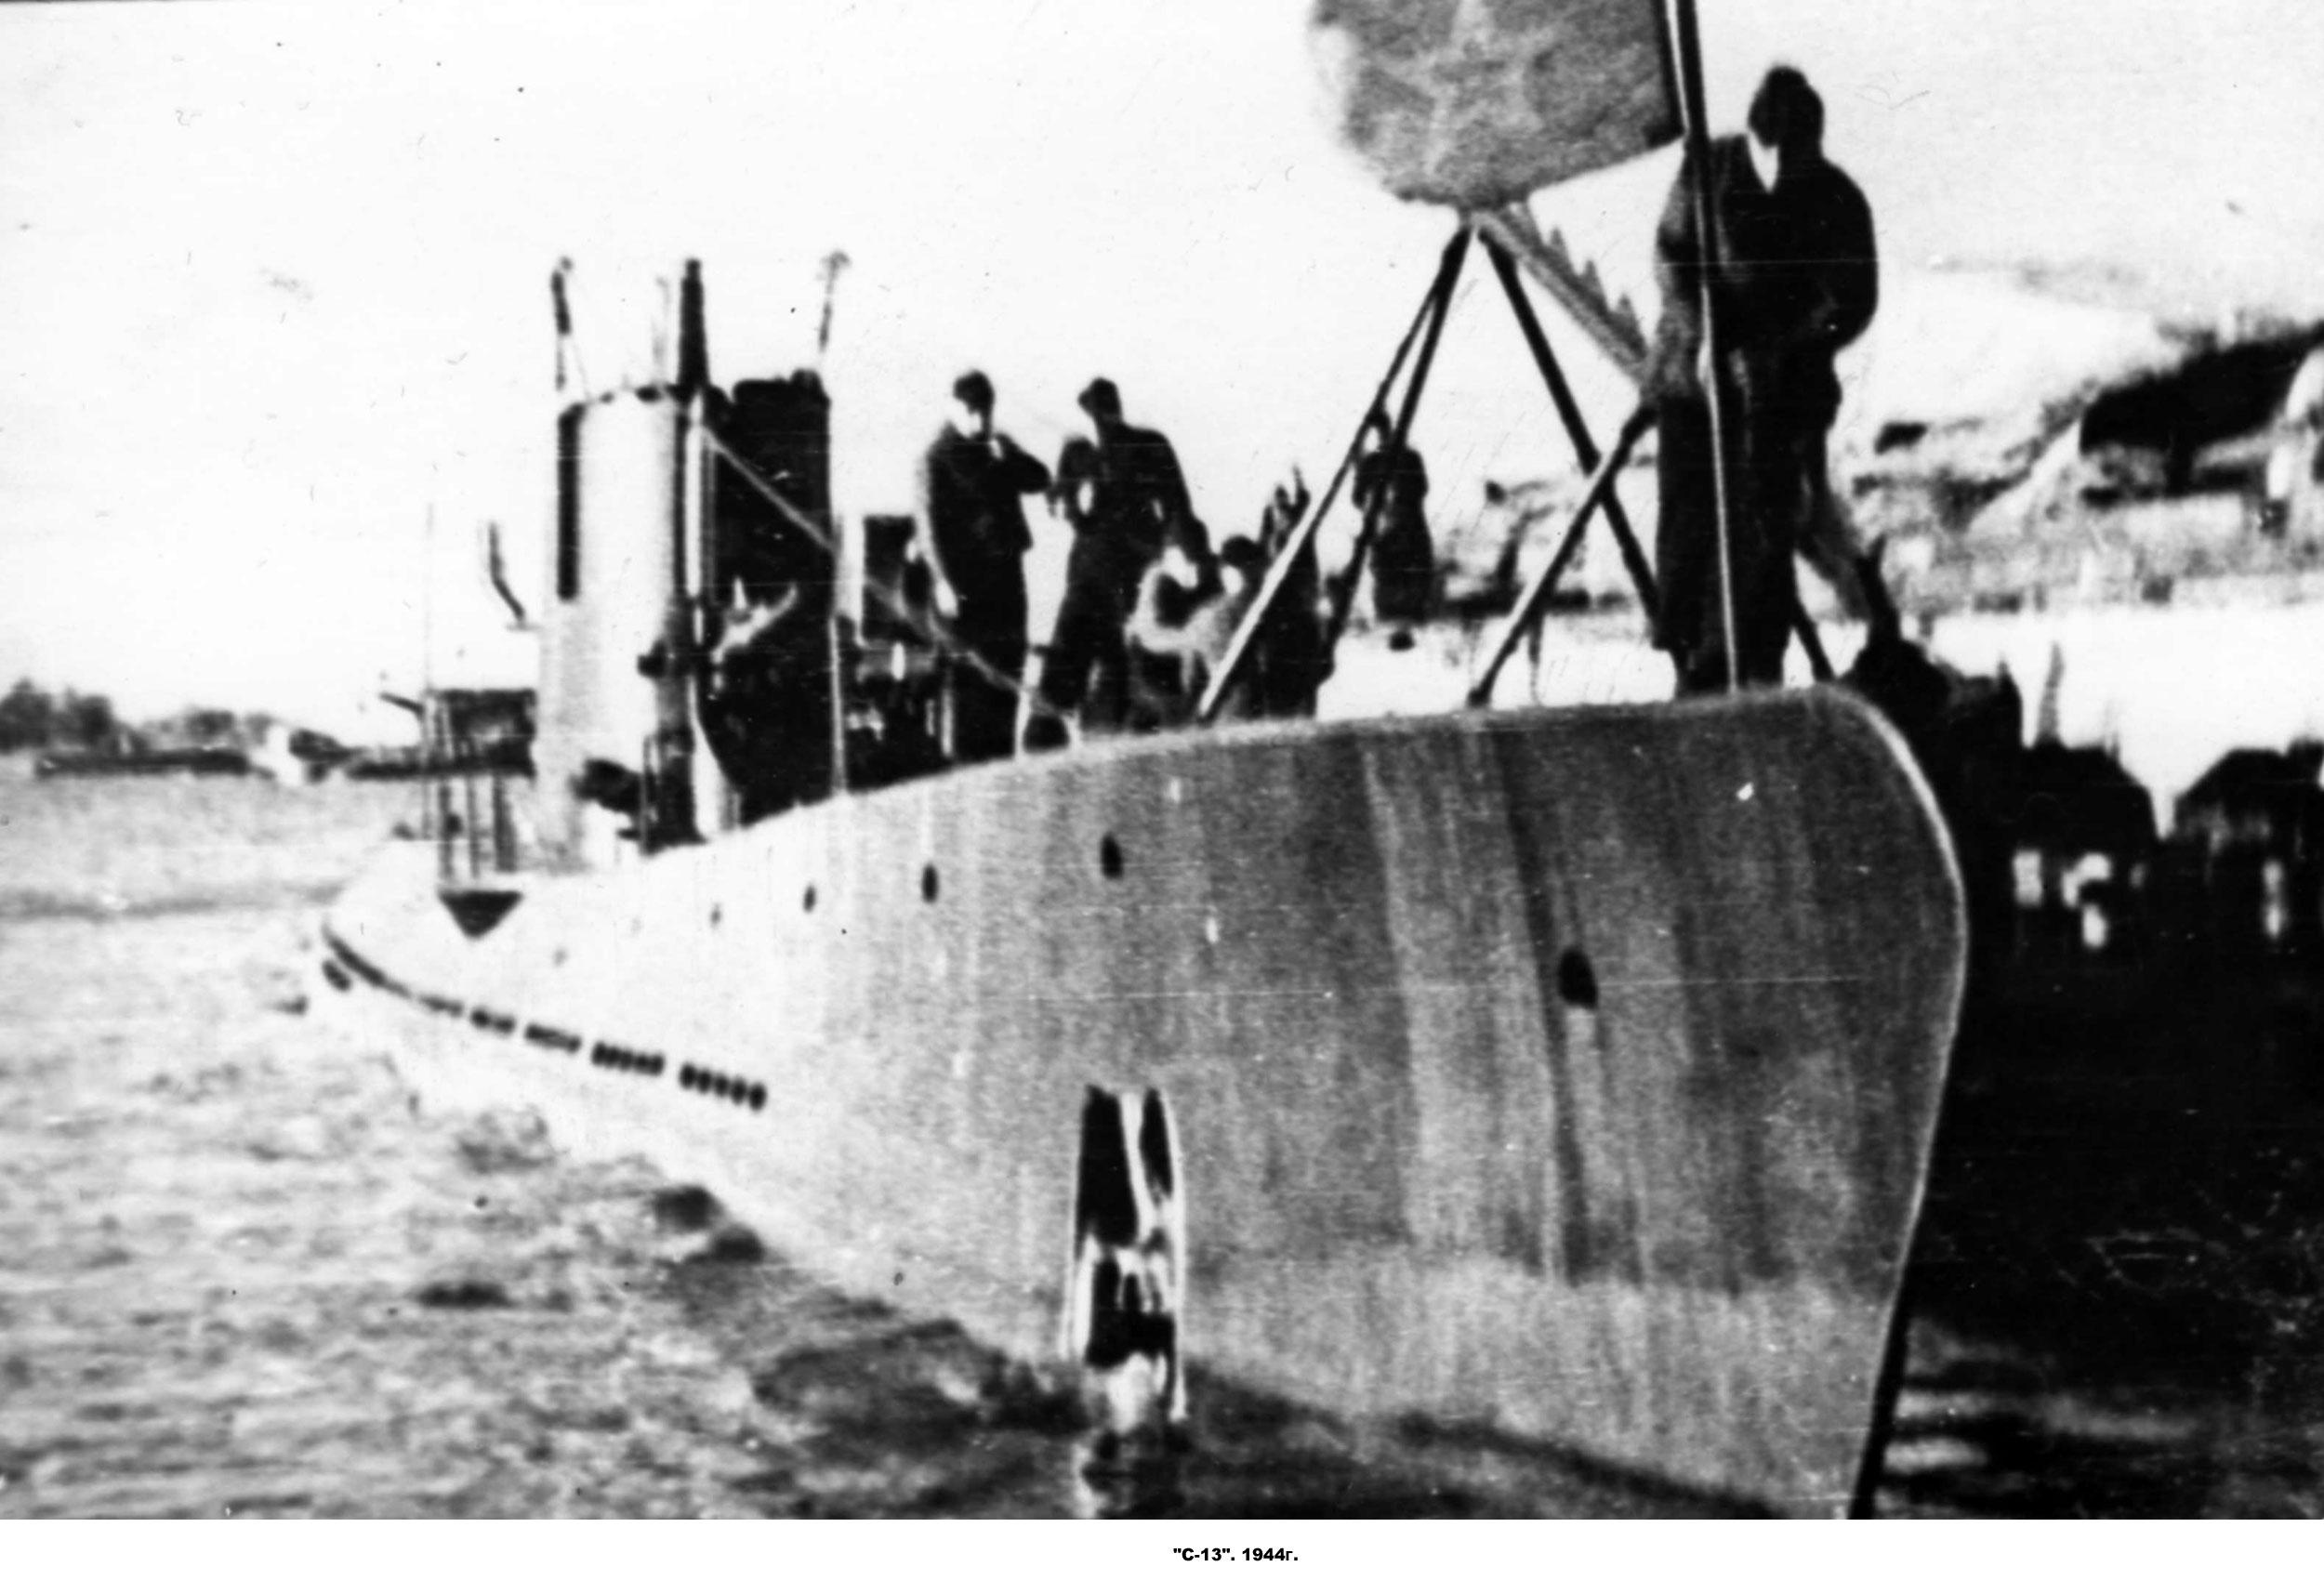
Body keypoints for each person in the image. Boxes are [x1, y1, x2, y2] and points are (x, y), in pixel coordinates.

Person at [1647, 64, 1877, 692]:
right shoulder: (1707, 170)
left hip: (1781, 394)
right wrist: (1706, 336)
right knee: (1691, 526)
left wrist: (1785, 344)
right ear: (1755, 137)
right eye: (1775, 154)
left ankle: (1753, 667)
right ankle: (1692, 668)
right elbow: (1672, 259)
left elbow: (1852, 300)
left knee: (1764, 534)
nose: (1785, 171)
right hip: (1694, 386)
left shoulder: (1835, 197)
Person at [1030, 378, 1200, 743]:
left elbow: (1176, 505)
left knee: (1128, 666)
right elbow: (1057, 503)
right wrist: (1074, 502)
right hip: (1087, 575)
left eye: (1103, 414)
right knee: (1065, 662)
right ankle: (1044, 740)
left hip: (1133, 574)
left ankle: (1127, 736)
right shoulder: (1077, 453)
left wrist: (1182, 554)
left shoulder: (1149, 445)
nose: (1098, 424)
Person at [918, 370, 1050, 763]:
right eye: (972, 412)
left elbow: (1040, 479)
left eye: (986, 412)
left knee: (1008, 669)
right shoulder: (936, 458)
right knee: (974, 680)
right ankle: (969, 765)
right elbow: (928, 528)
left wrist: (1010, 456)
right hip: (967, 585)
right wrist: (942, 581)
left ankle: (1002, 757)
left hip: (1006, 577)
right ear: (954, 408)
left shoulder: (996, 448)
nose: (980, 421)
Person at [1353, 413, 1434, 627]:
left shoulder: (1408, 457)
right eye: (1381, 433)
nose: (1384, 437)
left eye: (1385, 432)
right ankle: (1393, 616)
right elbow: (1358, 498)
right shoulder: (1372, 462)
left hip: (1407, 526)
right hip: (1387, 529)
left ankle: (1410, 615)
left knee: (1411, 576)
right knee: (1389, 575)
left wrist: (1398, 498)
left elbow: (1421, 488)